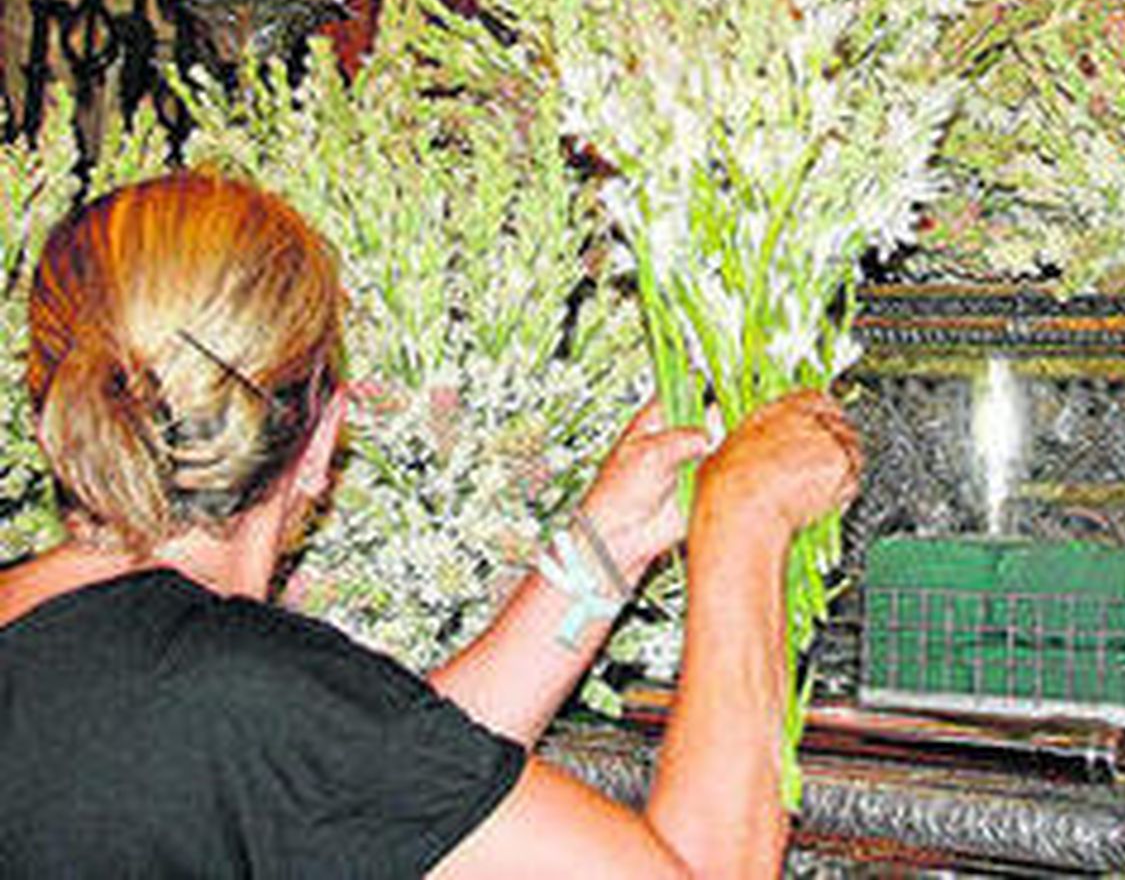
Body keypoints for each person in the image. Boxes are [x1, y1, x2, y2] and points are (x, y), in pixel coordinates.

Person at [0, 169, 861, 878]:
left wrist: (611, 544)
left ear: (53, 411)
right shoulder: (237, 694)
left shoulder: (84, 655)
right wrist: (746, 523)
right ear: (325, 434)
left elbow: (380, 780)